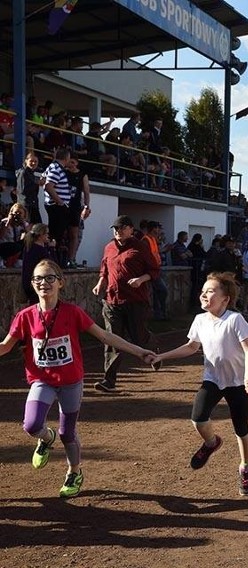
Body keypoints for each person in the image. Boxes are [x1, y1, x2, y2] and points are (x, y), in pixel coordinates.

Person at [0, 259, 155, 498]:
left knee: (67, 432)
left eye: (50, 278)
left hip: (71, 381)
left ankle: (74, 471)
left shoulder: (73, 313)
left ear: (61, 282)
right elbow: (5, 347)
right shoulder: (25, 316)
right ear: (32, 284)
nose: (44, 283)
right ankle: (45, 437)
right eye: (38, 279)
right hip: (43, 380)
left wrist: (139, 351)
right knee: (31, 425)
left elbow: (105, 336)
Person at [151, 272, 248, 495]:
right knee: (198, 418)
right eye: (203, 290)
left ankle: (246, 468)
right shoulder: (200, 320)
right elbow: (191, 347)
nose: (204, 294)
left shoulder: (234, 319)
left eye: (211, 291)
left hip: (238, 382)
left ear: (225, 298)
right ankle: (211, 443)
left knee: (241, 428)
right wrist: (162, 357)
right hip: (212, 380)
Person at [92, 215, 160, 393]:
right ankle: (109, 380)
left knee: (138, 338)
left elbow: (154, 270)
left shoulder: (140, 247)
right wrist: (100, 282)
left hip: (135, 301)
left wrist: (141, 279)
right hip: (112, 301)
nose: (118, 231)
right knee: (112, 339)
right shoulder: (109, 247)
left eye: (122, 228)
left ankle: (154, 348)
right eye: (115, 228)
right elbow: (104, 268)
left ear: (131, 230)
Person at [65, 154, 91, 269]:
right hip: (62, 206)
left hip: (75, 207)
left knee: (75, 234)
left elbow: (86, 191)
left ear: (76, 163)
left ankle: (71, 259)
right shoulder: (63, 172)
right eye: (68, 162)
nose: (70, 165)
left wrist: (86, 206)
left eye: (72, 162)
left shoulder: (82, 175)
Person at [21, 223, 54, 304]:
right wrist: (52, 248)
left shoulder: (29, 247)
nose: (48, 236)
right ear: (40, 235)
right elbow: (53, 264)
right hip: (38, 284)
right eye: (46, 234)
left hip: (29, 283)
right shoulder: (41, 251)